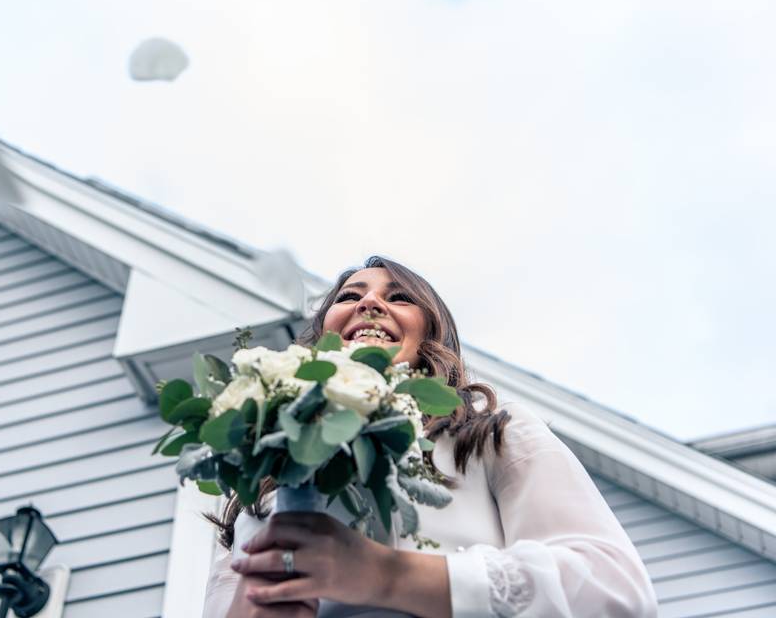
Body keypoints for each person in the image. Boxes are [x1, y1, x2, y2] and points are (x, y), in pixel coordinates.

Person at [203, 256, 658, 617]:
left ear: (431, 335)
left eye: (399, 297)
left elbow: (614, 588)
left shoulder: (493, 435)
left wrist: (387, 575)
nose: (369, 304)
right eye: (349, 296)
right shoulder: (260, 484)